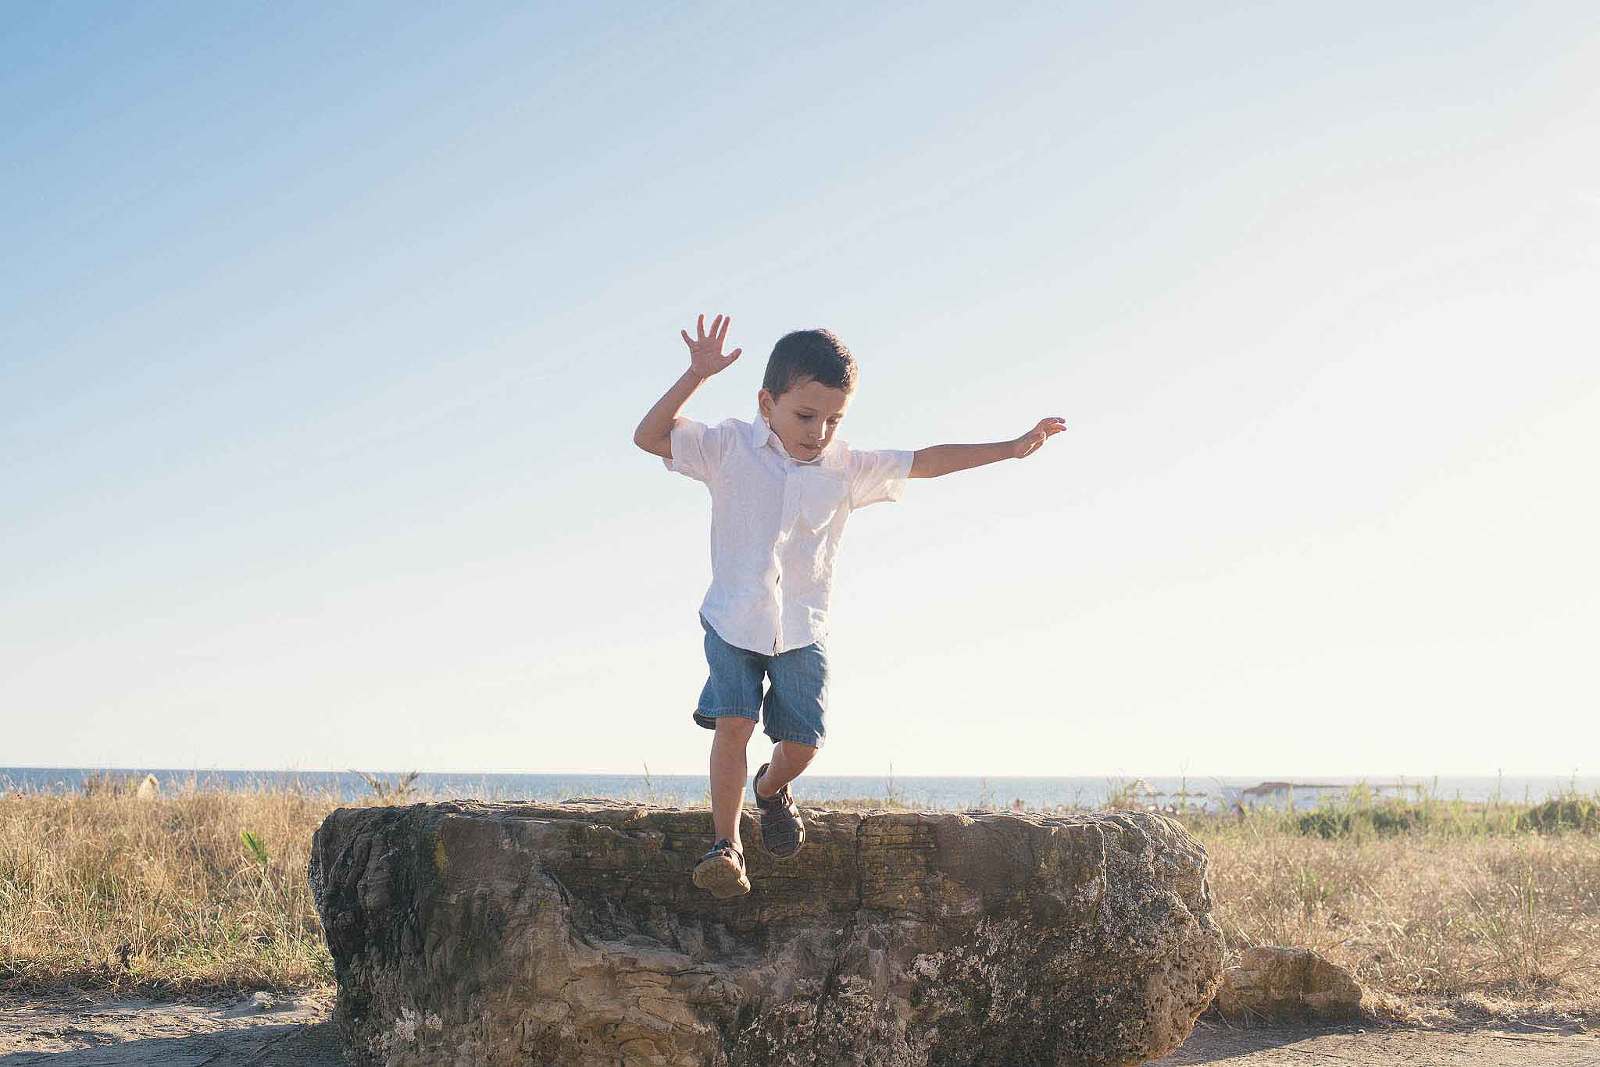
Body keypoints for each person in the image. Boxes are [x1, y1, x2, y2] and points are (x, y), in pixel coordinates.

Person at [633, 313, 1065, 898]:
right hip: (733, 619)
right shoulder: (728, 447)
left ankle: (770, 790)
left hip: (802, 629)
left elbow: (927, 460)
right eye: (805, 416)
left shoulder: (847, 468)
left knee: (804, 742)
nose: (818, 432)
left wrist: (1012, 448)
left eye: (833, 420)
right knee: (733, 723)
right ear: (768, 403)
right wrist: (695, 375)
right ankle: (726, 847)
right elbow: (650, 437)